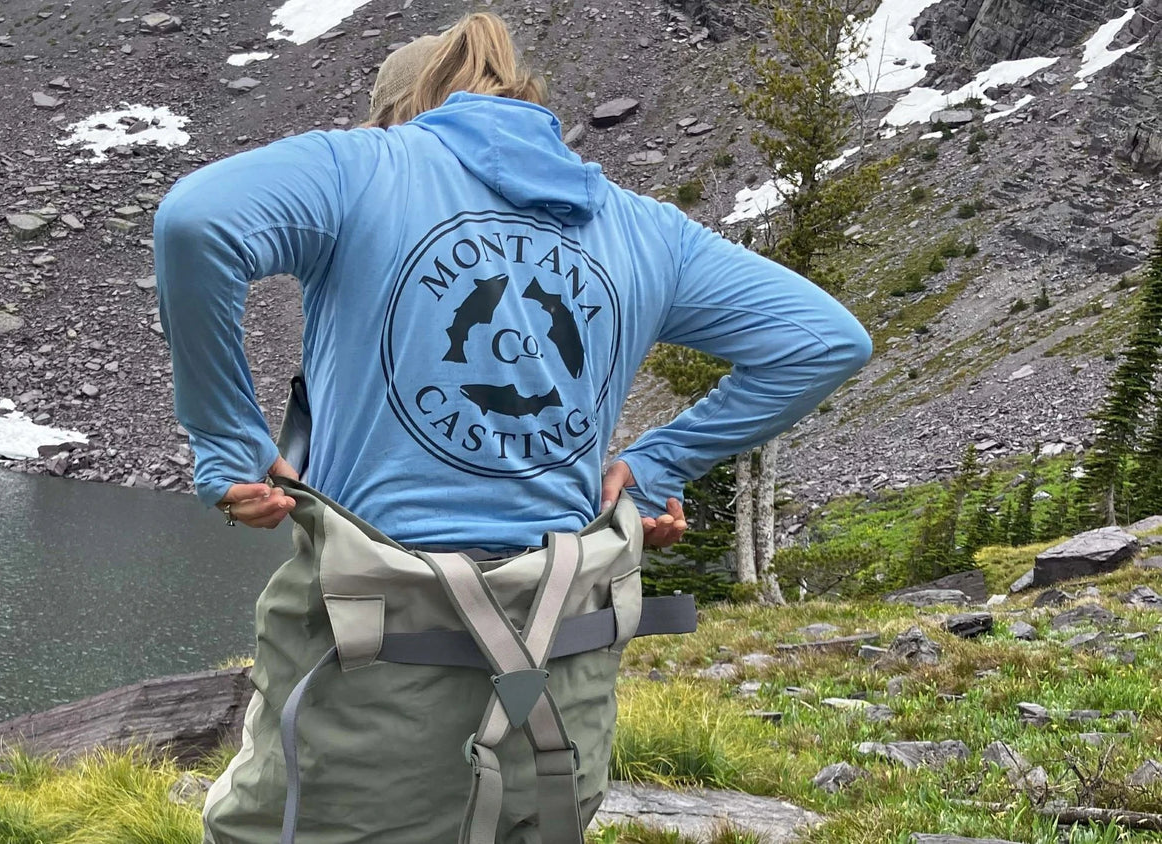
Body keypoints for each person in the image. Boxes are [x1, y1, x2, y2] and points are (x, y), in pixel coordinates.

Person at [153, 12, 871, 842]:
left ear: (400, 114)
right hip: (561, 681)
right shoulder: (643, 228)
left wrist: (228, 440)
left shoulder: (362, 167)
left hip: (368, 668)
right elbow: (823, 341)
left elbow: (197, 223)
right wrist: (654, 465)